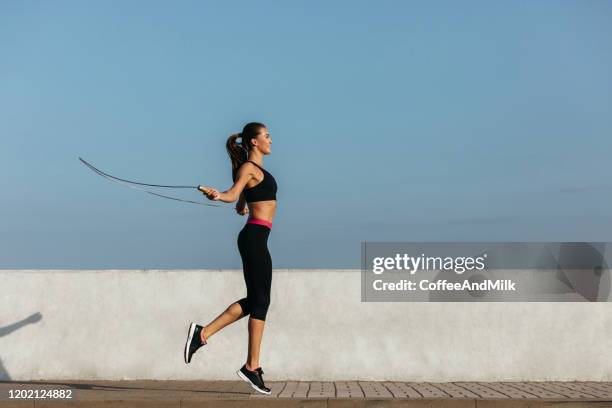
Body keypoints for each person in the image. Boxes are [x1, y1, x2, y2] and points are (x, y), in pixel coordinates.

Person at [183, 122, 277, 395]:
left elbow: (241, 199)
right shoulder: (249, 168)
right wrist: (219, 195)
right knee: (261, 302)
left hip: (258, 237)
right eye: (267, 136)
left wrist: (240, 205)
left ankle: (202, 334)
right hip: (254, 237)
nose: (271, 140)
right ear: (254, 142)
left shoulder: (256, 171)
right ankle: (251, 366)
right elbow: (233, 193)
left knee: (256, 300)